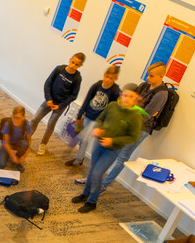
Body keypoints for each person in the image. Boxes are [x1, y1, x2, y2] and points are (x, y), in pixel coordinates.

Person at [98, 61, 170, 190]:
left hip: (141, 129)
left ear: (161, 77)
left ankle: (104, 185)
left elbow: (146, 114)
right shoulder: (143, 86)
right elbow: (130, 103)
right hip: (125, 123)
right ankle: (96, 178)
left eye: (152, 76)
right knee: (110, 151)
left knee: (122, 157)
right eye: (148, 74)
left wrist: (133, 110)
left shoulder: (162, 94)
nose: (148, 78)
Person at [71, 83, 142, 213]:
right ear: (121, 94)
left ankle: (92, 202)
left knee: (97, 174)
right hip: (98, 143)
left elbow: (132, 137)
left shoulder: (136, 115)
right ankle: (85, 194)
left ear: (136, 98)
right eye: (125, 95)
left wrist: (113, 141)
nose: (127, 99)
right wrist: (98, 128)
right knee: (91, 170)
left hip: (112, 150)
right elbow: (100, 119)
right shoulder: (112, 106)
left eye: (131, 97)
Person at [31, 52, 85, 155]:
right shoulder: (59, 69)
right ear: (70, 60)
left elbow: (73, 95)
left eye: (76, 64)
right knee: (34, 119)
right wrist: (48, 99)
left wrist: (59, 106)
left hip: (60, 105)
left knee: (51, 124)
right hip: (49, 100)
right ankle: (26, 138)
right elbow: (48, 83)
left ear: (80, 66)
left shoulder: (77, 78)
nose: (73, 65)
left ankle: (43, 144)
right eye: (72, 62)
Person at [67, 65, 121, 167]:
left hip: (99, 121)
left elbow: (113, 110)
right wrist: (79, 116)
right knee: (82, 138)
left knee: (86, 139)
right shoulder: (96, 86)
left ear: (116, 79)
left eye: (111, 78)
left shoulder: (116, 92)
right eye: (107, 76)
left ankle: (78, 160)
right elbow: (87, 100)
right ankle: (80, 158)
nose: (108, 80)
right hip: (88, 115)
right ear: (104, 75)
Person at [0, 106, 33, 172]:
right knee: (0, 165)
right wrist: (12, 155)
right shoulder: (8, 124)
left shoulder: (27, 125)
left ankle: (16, 161)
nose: (15, 120)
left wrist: (25, 155)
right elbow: (6, 142)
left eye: (18, 118)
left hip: (18, 143)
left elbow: (29, 141)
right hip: (7, 144)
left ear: (23, 117)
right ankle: (8, 154)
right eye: (13, 117)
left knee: (25, 143)